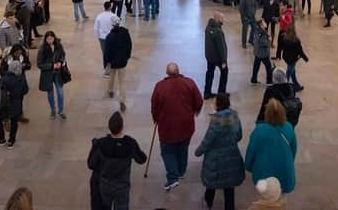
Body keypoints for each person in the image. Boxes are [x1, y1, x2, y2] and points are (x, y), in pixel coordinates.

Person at [150, 62, 204, 190]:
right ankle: (181, 171)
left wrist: (156, 118)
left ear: (167, 73)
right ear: (178, 71)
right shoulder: (189, 83)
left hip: (167, 127)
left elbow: (154, 106)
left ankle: (172, 178)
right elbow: (199, 100)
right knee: (183, 148)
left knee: (167, 152)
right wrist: (195, 110)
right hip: (186, 125)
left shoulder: (160, 86)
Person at [87, 111, 147, 210]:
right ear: (122, 127)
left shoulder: (101, 143)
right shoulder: (130, 143)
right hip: (122, 186)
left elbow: (91, 164)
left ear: (109, 127)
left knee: (105, 206)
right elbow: (141, 159)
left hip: (105, 185)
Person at [195, 93, 245, 210]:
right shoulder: (235, 116)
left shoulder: (216, 122)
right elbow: (239, 136)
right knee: (229, 189)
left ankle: (208, 205)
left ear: (218, 105)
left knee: (211, 187)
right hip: (232, 156)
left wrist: (198, 152)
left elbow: (207, 141)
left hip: (215, 160)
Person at [245, 99, 297, 195]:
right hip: (284, 170)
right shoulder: (289, 127)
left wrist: (248, 166)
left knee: (265, 198)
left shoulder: (259, 130)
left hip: (263, 171)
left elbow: (251, 151)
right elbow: (293, 150)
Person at [0, 60, 29, 148]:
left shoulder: (4, 79)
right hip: (16, 104)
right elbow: (25, 90)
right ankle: (11, 141)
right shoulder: (22, 79)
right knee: (14, 122)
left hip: (4, 104)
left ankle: (1, 138)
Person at [37, 30, 68, 120]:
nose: (50, 40)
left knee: (60, 93)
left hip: (58, 73)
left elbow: (63, 55)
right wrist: (52, 66)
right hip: (48, 75)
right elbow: (39, 64)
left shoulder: (59, 46)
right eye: (48, 39)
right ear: (45, 39)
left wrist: (61, 62)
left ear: (54, 38)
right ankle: (53, 110)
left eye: (51, 38)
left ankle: (61, 110)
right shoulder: (42, 49)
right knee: (50, 94)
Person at [104, 17, 132, 113]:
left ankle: (111, 90)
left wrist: (106, 63)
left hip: (113, 62)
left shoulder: (109, 37)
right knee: (122, 82)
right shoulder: (125, 33)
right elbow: (129, 45)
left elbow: (106, 52)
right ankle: (122, 101)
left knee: (112, 77)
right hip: (122, 61)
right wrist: (127, 56)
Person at [204, 12, 229, 99]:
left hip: (209, 56)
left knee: (210, 74)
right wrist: (224, 61)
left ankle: (207, 92)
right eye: (222, 19)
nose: (223, 20)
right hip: (218, 58)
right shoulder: (218, 32)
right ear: (218, 19)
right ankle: (221, 93)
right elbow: (221, 47)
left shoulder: (208, 28)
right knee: (224, 72)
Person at [280, 23, 308, 92]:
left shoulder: (283, 37)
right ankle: (285, 88)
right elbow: (300, 51)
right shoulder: (296, 40)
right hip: (293, 59)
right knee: (289, 72)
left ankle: (296, 85)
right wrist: (306, 59)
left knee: (292, 71)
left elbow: (281, 47)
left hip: (286, 57)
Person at [95, 2, 117, 77]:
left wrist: (98, 36)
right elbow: (117, 26)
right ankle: (111, 68)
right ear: (110, 7)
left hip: (102, 38)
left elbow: (96, 28)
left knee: (105, 53)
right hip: (112, 37)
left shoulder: (99, 16)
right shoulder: (113, 16)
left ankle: (107, 69)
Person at [251, 18, 273, 85]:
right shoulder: (263, 33)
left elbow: (254, 41)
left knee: (256, 66)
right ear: (261, 25)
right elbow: (264, 43)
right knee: (269, 67)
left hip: (257, 52)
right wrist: (269, 40)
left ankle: (254, 79)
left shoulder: (256, 31)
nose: (265, 23)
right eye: (264, 22)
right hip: (263, 54)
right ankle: (269, 81)